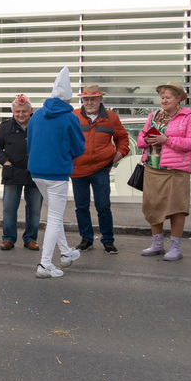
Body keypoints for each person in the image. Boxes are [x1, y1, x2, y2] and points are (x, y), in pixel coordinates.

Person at [26, 67, 86, 278]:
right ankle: (45, 264)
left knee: (54, 214)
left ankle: (66, 252)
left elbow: (30, 143)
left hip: (37, 172)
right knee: (54, 217)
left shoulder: (38, 115)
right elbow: (79, 148)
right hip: (57, 173)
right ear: (68, 99)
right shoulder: (70, 118)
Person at [137, 82, 191, 261]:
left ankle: (175, 247)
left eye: (168, 97)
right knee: (153, 206)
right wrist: (147, 140)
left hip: (176, 170)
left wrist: (166, 139)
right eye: (162, 97)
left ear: (179, 99)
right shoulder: (154, 115)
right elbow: (141, 139)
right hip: (152, 167)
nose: (164, 100)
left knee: (176, 208)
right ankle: (157, 244)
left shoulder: (189, 117)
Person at [71, 85, 130, 254]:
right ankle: (86, 239)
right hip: (78, 169)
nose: (89, 102)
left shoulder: (111, 117)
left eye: (93, 99)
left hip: (101, 168)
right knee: (81, 206)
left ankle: (108, 241)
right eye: (86, 99)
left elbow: (123, 138)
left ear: (100, 99)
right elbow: (64, 138)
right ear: (82, 100)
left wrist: (121, 151)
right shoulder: (73, 116)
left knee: (103, 206)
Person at [0, 94, 41, 251]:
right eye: (18, 111)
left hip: (35, 172)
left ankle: (30, 239)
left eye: (24, 111)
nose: (21, 114)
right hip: (12, 171)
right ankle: (8, 238)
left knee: (34, 208)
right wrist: (4, 161)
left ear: (30, 110)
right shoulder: (5, 126)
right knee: (9, 207)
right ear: (13, 111)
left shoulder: (39, 124)